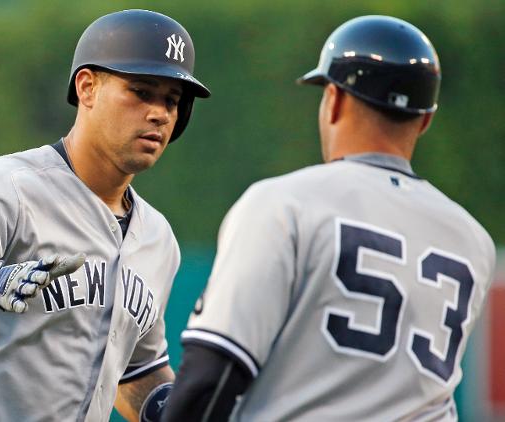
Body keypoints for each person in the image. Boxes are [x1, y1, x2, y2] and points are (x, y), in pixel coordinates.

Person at [163, 15, 495, 422]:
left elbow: (212, 377)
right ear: (425, 120)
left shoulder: (284, 203)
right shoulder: (472, 240)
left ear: (334, 99)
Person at [0, 9, 210, 422]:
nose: (160, 113)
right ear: (88, 87)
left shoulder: (158, 240)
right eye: (141, 91)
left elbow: (133, 374)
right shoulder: (10, 186)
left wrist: (185, 407)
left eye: (172, 100)